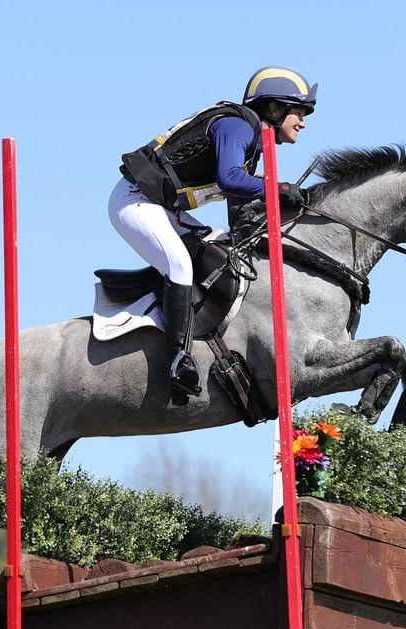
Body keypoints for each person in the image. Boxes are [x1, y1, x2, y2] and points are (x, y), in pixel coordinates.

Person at [111, 66, 317, 397]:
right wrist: (277, 187)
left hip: (163, 208)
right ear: (274, 107)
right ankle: (178, 359)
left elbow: (238, 209)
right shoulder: (238, 126)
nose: (303, 122)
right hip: (135, 201)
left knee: (216, 248)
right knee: (180, 265)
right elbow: (230, 178)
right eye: (300, 112)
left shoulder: (252, 144)